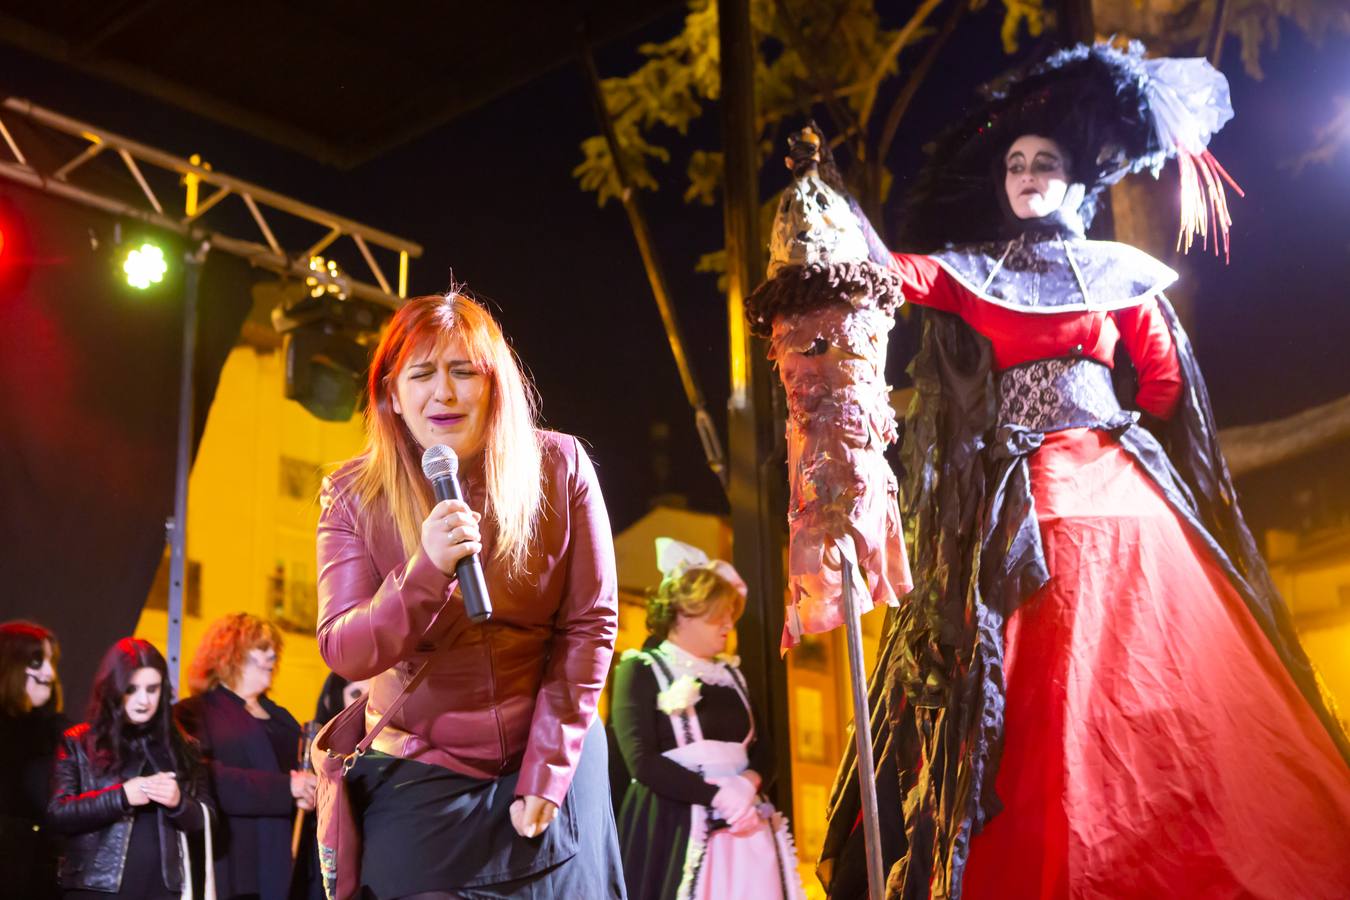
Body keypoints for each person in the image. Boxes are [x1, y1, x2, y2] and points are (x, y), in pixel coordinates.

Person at [788, 43, 1350, 898]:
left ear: (1072, 178)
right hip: (1061, 492)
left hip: (1095, 490)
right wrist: (829, 215)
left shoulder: (1117, 275)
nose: (1025, 175)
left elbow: (1163, 379)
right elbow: (889, 277)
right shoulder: (979, 271)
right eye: (1015, 164)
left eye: (1043, 163)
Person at [316, 291, 624, 898]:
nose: (445, 393)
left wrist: (547, 771)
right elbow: (345, 648)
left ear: (495, 387)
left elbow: (591, 624)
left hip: (550, 749)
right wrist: (425, 568)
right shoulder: (352, 494)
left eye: (464, 372)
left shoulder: (560, 466)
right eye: (423, 374)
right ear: (391, 395)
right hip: (424, 765)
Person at [612, 539, 804, 900]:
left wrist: (747, 784)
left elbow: (765, 749)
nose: (729, 624)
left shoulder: (732, 675)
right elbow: (642, 760)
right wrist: (715, 796)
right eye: (719, 614)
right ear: (685, 612)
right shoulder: (640, 669)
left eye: (731, 614)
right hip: (675, 826)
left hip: (745, 822)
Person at [47, 638, 210, 899]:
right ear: (113, 688)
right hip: (96, 887)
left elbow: (207, 821)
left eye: (152, 689)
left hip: (162, 889)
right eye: (131, 689)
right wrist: (120, 797)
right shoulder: (80, 742)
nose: (143, 700)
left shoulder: (184, 748)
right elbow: (58, 813)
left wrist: (179, 803)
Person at [176, 613, 313, 900]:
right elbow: (206, 779)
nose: (272, 655)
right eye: (261, 648)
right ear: (229, 654)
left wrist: (311, 792)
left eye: (273, 649)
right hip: (235, 869)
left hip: (283, 864)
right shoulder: (196, 712)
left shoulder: (283, 718)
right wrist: (287, 788)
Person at [0, 621, 68, 900]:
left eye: (51, 661)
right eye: (37, 661)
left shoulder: (62, 734)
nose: (49, 673)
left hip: (44, 879)